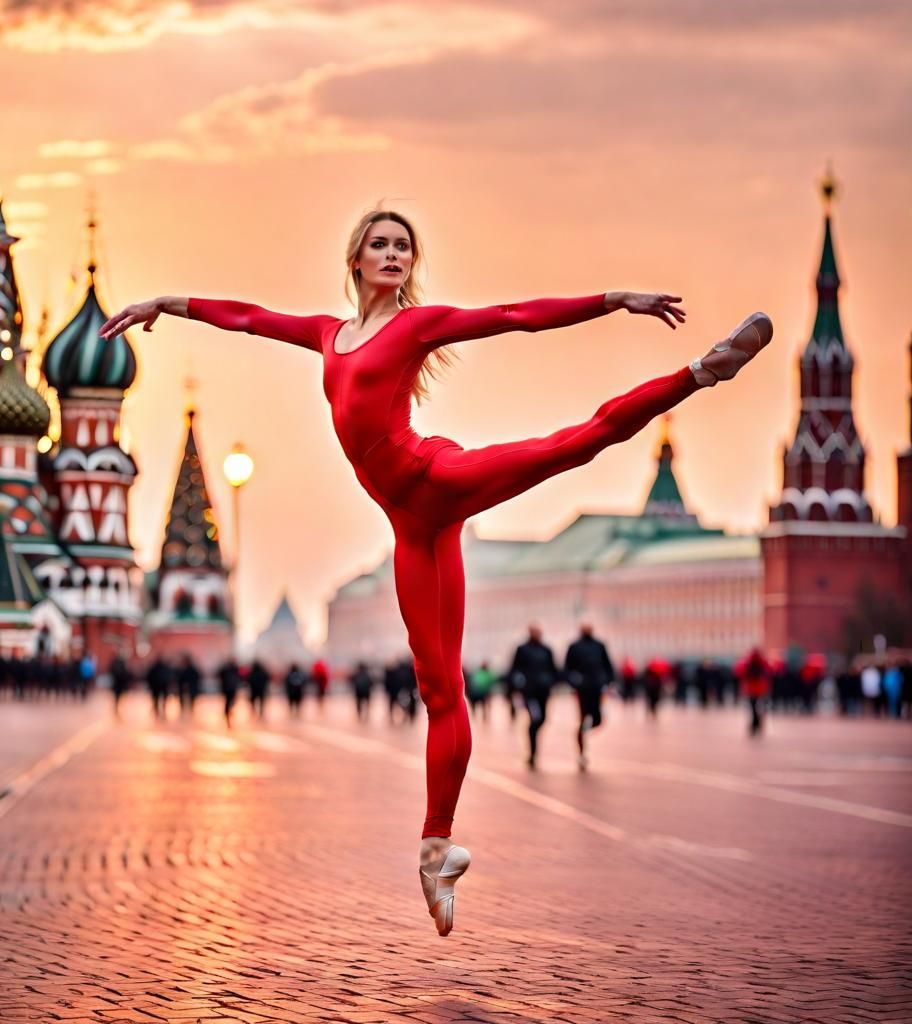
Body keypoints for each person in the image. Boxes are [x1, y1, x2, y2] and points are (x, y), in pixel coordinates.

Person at [100, 207, 772, 937]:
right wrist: (167, 303)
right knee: (439, 690)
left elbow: (515, 316)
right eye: (380, 245)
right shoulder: (327, 334)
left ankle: (700, 372)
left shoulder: (416, 327)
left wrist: (615, 300)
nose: (392, 254)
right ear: (356, 259)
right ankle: (435, 850)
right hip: (412, 528)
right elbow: (252, 318)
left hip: (438, 477)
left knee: (570, 446)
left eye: (403, 247)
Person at [508, 625, 559, 771]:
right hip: (529, 692)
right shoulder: (522, 649)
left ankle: (533, 737)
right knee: (535, 719)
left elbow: (553, 668)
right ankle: (533, 753)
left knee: (543, 719)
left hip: (543, 691)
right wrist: (516, 685)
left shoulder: (546, 650)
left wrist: (552, 681)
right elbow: (514, 668)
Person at [563, 624, 615, 770]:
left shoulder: (599, 645)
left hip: (597, 687)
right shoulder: (574, 646)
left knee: (598, 720)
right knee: (583, 717)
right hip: (582, 689)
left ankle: (583, 732)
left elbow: (608, 665)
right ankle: (582, 751)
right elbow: (567, 668)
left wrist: (608, 681)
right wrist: (574, 681)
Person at [736, 647, 772, 736]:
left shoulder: (747, 662)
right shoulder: (763, 661)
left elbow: (739, 672)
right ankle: (757, 723)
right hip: (761, 688)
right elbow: (770, 672)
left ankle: (754, 724)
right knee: (760, 707)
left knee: (752, 708)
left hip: (750, 689)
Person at [217, 657, 243, 725]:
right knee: (229, 701)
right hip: (229, 688)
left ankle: (227, 711)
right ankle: (227, 712)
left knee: (231, 701)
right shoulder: (229, 669)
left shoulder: (233, 669)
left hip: (231, 688)